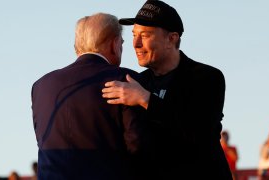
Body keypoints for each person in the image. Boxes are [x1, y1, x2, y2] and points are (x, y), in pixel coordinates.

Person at [102, 0, 232, 179]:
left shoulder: (207, 77)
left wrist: (145, 99)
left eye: (145, 35)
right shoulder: (138, 82)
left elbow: (199, 133)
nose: (136, 44)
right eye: (134, 35)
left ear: (172, 39)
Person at [31, 12, 145, 180]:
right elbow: (137, 144)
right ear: (114, 44)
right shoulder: (126, 80)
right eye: (121, 42)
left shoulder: (41, 86)